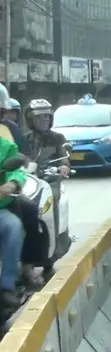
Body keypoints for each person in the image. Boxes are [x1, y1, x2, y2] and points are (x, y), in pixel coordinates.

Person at [23, 98, 71, 285]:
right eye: (39, 116)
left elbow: (65, 157)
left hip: (50, 182)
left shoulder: (58, 138)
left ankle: (52, 254)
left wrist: (63, 167)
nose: (44, 120)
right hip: (28, 182)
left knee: (53, 202)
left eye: (47, 116)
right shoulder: (25, 139)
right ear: (30, 120)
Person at [0, 85, 26, 311]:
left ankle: (7, 285)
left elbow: (17, 169)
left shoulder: (6, 144)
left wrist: (12, 183)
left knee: (13, 226)